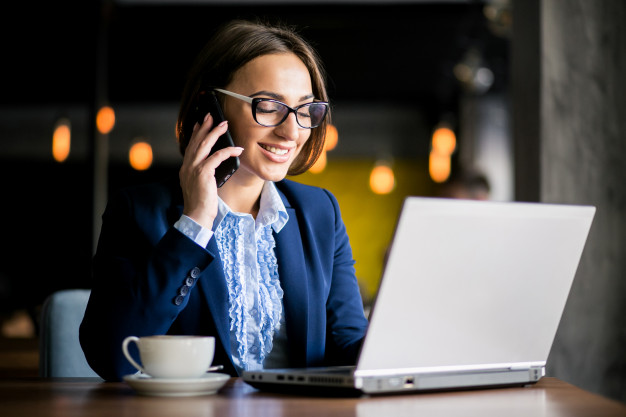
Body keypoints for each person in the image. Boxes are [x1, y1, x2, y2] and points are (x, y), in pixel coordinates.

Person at [79, 19, 368, 381]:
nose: (291, 131)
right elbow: (112, 357)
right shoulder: (139, 212)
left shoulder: (320, 212)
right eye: (268, 106)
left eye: (304, 109)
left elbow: (350, 343)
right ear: (211, 108)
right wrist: (194, 222)